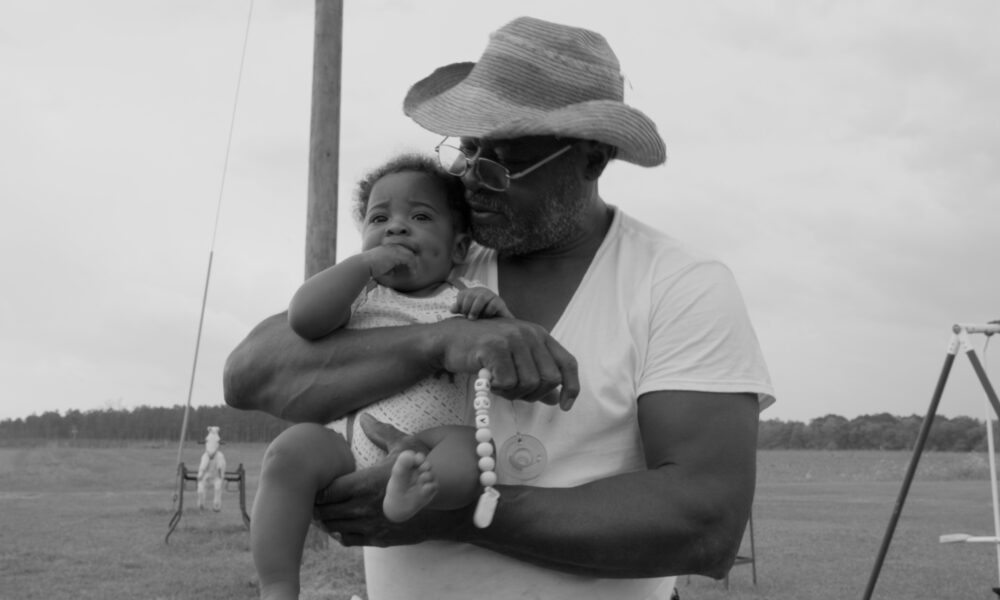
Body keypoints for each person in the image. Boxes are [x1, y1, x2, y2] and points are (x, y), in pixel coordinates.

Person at [225, 16, 774, 600]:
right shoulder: (437, 259)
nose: (470, 181)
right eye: (467, 151)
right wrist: (441, 341)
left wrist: (456, 513)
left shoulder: (679, 285)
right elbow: (250, 374)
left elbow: (706, 524)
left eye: (501, 163)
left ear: (592, 159)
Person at [251, 154, 514, 600]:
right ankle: (277, 586)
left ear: (458, 249)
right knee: (287, 452)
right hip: (344, 442)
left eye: (420, 217)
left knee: (471, 451)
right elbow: (304, 318)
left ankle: (410, 493)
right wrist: (361, 267)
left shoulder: (466, 298)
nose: (396, 228)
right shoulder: (360, 297)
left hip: (427, 445)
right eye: (379, 218)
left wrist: (494, 314)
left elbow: (506, 353)